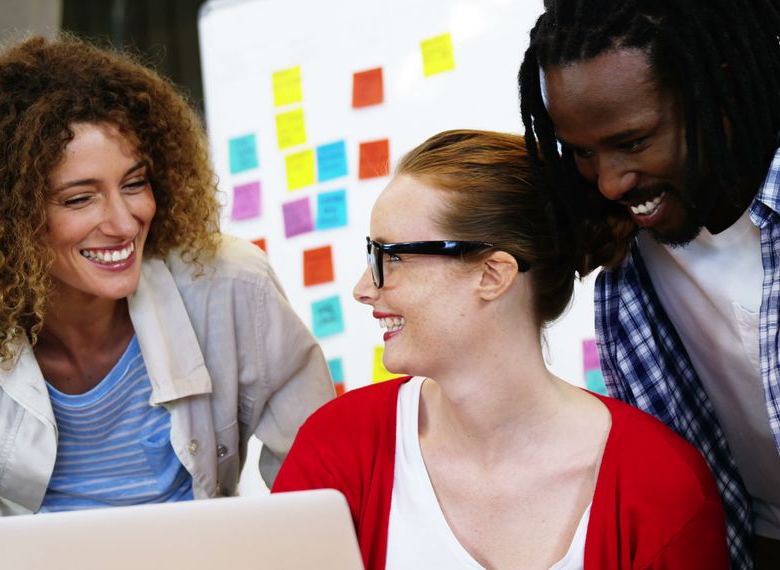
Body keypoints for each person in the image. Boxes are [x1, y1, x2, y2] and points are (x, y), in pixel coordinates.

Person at [518, 0, 780, 568]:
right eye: (581, 153)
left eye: (632, 143)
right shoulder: (624, 213)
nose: (608, 181)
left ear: (715, 90)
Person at [0, 36, 334, 570]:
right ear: (5, 216)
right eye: (79, 198)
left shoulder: (231, 283)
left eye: (135, 183)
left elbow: (325, 499)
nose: (123, 222)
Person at [272, 129, 729, 569]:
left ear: (493, 274)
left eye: (391, 256)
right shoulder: (336, 447)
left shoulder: (664, 487)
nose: (363, 288)